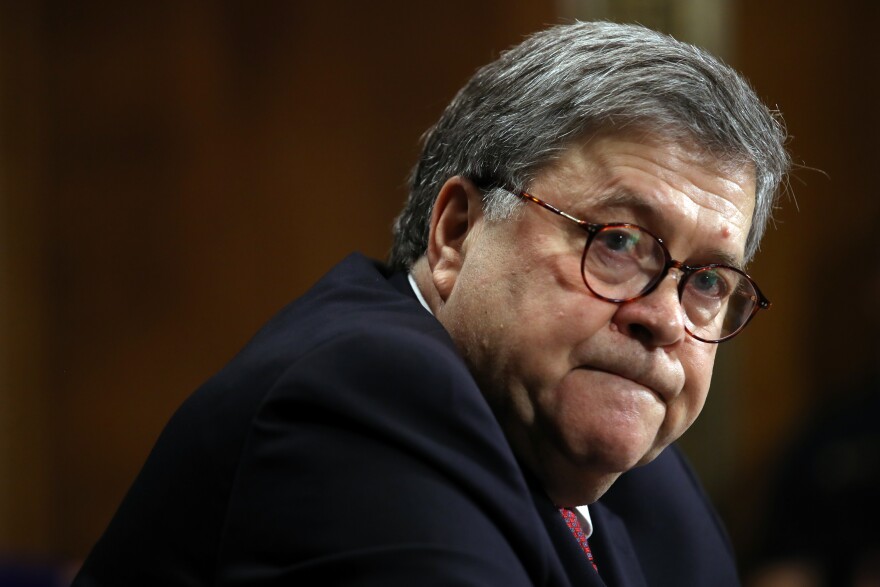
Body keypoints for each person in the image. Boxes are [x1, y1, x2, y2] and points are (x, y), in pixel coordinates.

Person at [72, 21, 789, 587]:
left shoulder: (650, 487)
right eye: (619, 241)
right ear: (455, 232)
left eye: (706, 282)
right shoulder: (364, 397)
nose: (663, 320)